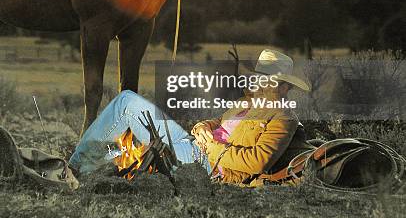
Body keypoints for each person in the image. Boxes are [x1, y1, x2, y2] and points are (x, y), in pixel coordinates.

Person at [69, 49, 313, 185]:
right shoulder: (247, 102)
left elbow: (257, 162)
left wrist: (212, 147)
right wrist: (202, 128)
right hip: (195, 145)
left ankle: (75, 168)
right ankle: (87, 168)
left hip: (209, 163)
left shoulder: (283, 117)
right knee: (127, 99)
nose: (261, 85)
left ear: (284, 88)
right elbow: (215, 123)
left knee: (127, 106)